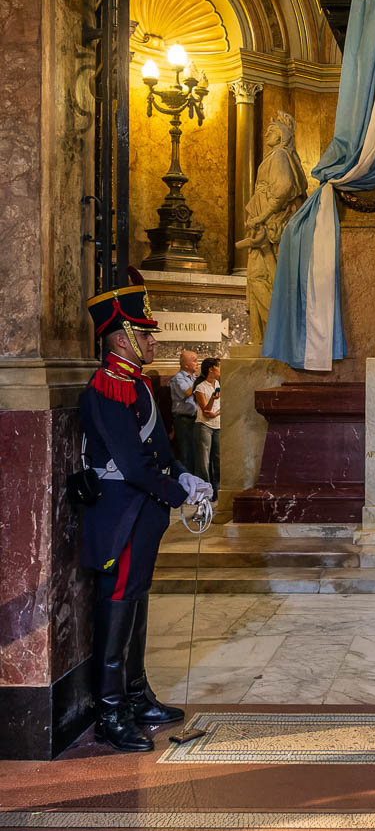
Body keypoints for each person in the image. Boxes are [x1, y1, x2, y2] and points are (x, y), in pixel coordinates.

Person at [80, 270, 213, 751]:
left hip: (142, 513)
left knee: (136, 599)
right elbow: (134, 466)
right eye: (145, 331)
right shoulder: (107, 388)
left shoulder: (135, 384)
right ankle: (111, 711)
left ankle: (136, 694)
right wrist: (180, 496)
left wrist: (184, 475)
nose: (153, 338)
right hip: (121, 516)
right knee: (118, 602)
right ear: (122, 337)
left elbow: (161, 450)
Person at [236, 112, 307, 343]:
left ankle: (275, 332)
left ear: (282, 136)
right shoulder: (279, 156)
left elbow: (284, 187)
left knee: (261, 276)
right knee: (262, 277)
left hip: (271, 227)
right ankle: (267, 334)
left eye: (272, 130)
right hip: (268, 225)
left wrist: (263, 216)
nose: (267, 132)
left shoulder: (279, 155)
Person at [192, 357, 221, 500]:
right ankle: (205, 493)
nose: (220, 370)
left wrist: (217, 412)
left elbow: (219, 409)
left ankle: (217, 491)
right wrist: (213, 400)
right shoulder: (200, 387)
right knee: (204, 461)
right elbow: (206, 411)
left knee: (218, 460)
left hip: (218, 425)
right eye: (218, 367)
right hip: (204, 426)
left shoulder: (219, 384)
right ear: (211, 369)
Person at [168, 348, 198, 473]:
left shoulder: (194, 377)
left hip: (195, 419)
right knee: (185, 453)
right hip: (183, 420)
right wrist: (200, 383)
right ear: (186, 364)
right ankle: (186, 480)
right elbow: (186, 392)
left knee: (195, 452)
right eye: (195, 361)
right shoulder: (178, 378)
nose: (197, 364)